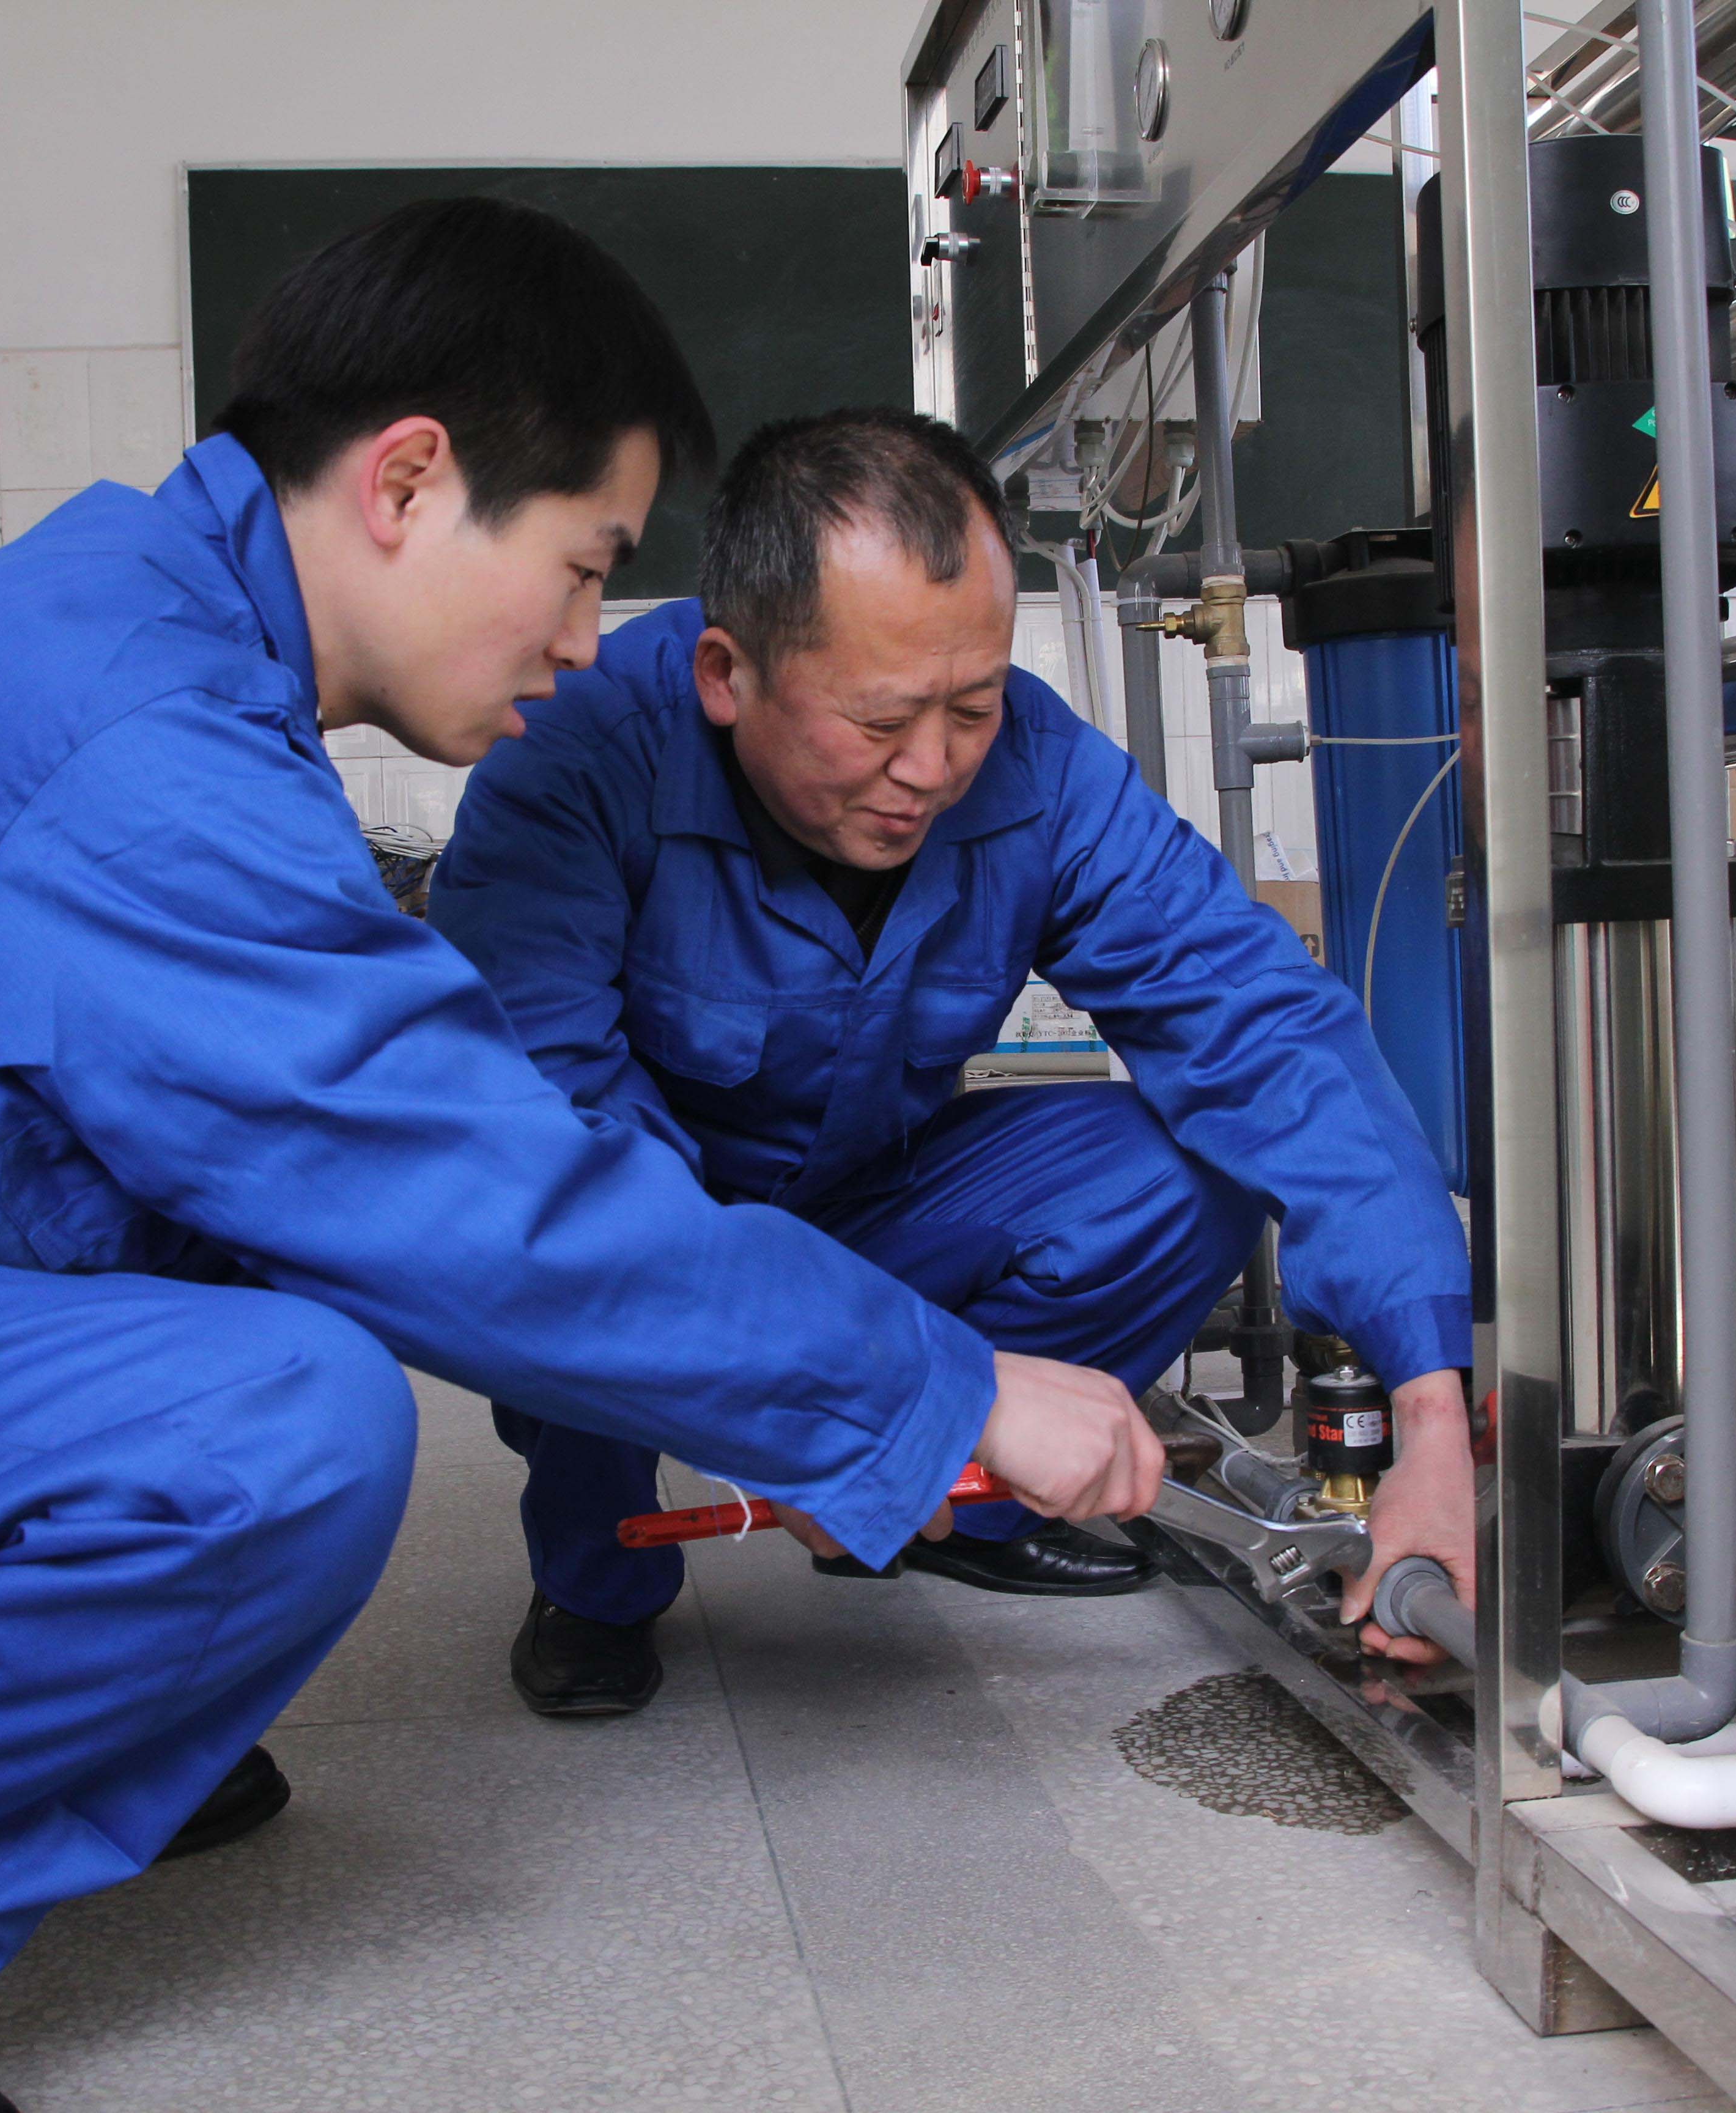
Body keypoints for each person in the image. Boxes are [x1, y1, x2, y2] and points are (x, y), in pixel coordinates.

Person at [0, 205, 1162, 2112]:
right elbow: (471, 1203)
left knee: (227, 1228)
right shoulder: (141, 742)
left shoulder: (143, 626)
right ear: (408, 481)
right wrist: (943, 1387)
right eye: (583, 569)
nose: (590, 645)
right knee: (277, 1426)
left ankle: (72, 1729)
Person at [429, 408, 1476, 1718]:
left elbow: (1263, 1026)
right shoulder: (575, 756)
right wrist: (839, 1394)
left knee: (1175, 1175)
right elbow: (552, 1148)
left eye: (970, 707)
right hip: (662, 1220)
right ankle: (597, 1580)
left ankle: (965, 1511)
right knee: (588, 1236)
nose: (928, 770)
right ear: (726, 674)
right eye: (878, 721)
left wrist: (1433, 1414)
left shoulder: (1038, 765)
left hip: (873, 1201)